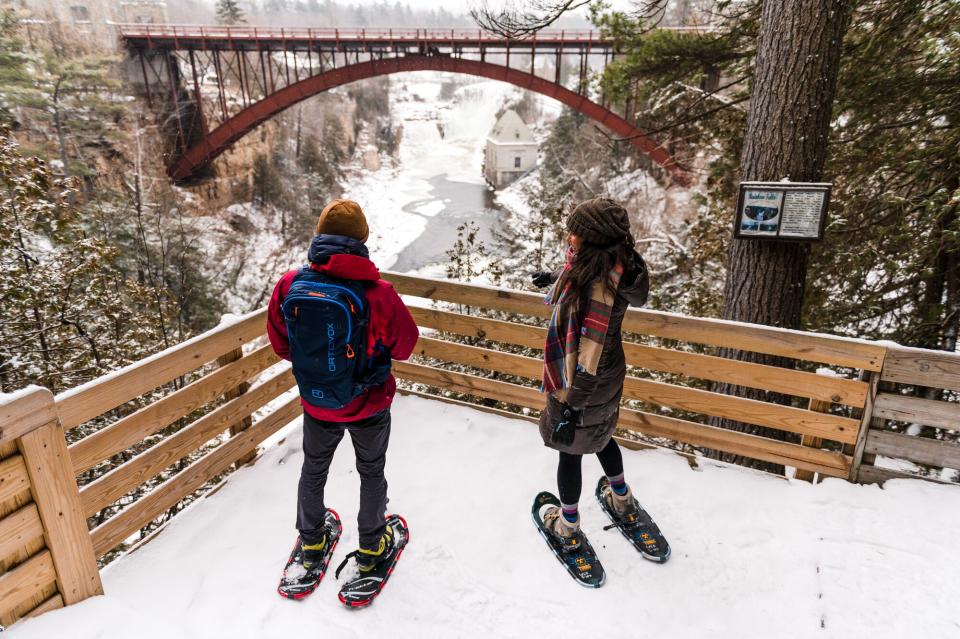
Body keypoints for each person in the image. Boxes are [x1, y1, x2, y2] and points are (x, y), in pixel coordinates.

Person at [267, 199, 419, 578]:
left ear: (319, 236)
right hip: (369, 404)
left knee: (314, 469)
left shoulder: (290, 284)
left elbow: (281, 344)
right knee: (371, 471)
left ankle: (313, 540)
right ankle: (371, 547)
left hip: (318, 403)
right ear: (363, 239)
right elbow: (406, 346)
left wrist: (322, 370)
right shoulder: (379, 293)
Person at [533, 197, 650, 549]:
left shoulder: (596, 288)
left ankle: (567, 525)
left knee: (569, 450)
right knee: (601, 435)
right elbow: (585, 278)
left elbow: (588, 350)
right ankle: (622, 498)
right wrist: (556, 277)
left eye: (576, 233)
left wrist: (571, 407)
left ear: (593, 239)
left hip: (582, 380)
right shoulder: (616, 266)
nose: (570, 238)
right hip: (610, 373)